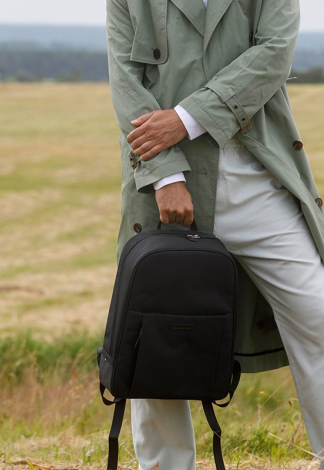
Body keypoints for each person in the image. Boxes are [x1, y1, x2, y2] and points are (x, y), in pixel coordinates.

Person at [106, 0, 324, 468]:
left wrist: (184, 118)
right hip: (167, 190)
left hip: (262, 183)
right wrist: (164, 176)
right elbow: (126, 82)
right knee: (153, 337)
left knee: (319, 318)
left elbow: (274, 53)